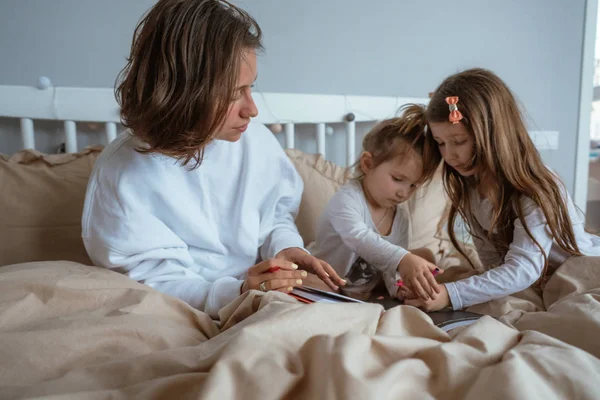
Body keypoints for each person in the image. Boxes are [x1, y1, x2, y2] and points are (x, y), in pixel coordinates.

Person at [81, 0, 345, 318]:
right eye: (235, 93)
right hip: (185, 310)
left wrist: (285, 248)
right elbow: (151, 282)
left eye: (251, 88)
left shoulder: (256, 141)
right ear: (185, 92)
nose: (252, 109)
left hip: (263, 297)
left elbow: (275, 216)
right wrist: (236, 292)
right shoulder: (123, 175)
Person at [405, 68, 600, 311]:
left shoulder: (534, 187)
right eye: (440, 143)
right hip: (537, 280)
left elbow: (523, 268)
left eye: (459, 141)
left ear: (494, 133)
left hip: (580, 272)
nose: (450, 155)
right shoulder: (470, 186)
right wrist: (448, 291)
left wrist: (451, 294)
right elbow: (491, 262)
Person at [311, 105, 443, 301]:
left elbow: (390, 268)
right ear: (367, 164)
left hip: (360, 293)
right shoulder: (347, 199)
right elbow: (359, 238)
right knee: (310, 282)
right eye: (398, 179)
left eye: (413, 185)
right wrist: (403, 259)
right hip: (325, 280)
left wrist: (396, 288)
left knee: (425, 259)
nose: (404, 192)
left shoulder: (401, 217)